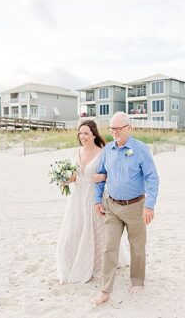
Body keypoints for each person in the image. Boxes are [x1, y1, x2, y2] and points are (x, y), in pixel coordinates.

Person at [91, 112, 160, 306]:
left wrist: (149, 205)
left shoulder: (140, 149)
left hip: (136, 206)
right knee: (109, 247)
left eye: (119, 128)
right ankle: (105, 290)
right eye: (112, 128)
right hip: (112, 206)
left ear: (129, 128)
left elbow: (152, 178)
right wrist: (98, 199)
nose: (115, 132)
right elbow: (101, 175)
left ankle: (137, 281)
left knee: (137, 246)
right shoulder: (108, 150)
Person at [56, 120, 128, 284]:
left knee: (97, 231)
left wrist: (102, 177)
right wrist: (65, 180)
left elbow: (114, 175)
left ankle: (98, 264)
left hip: (95, 196)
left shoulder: (103, 152)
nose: (82, 136)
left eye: (86, 133)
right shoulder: (77, 152)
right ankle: (72, 260)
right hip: (77, 197)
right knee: (74, 230)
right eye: (80, 133)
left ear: (94, 134)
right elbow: (74, 176)